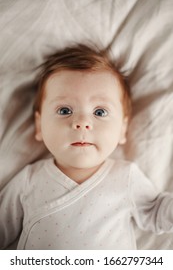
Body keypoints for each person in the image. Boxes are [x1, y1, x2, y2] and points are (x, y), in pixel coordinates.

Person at [0, 44, 173, 250]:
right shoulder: (29, 181)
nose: (81, 122)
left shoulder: (126, 177)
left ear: (122, 129)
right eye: (65, 110)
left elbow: (156, 213)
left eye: (100, 112)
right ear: (39, 126)